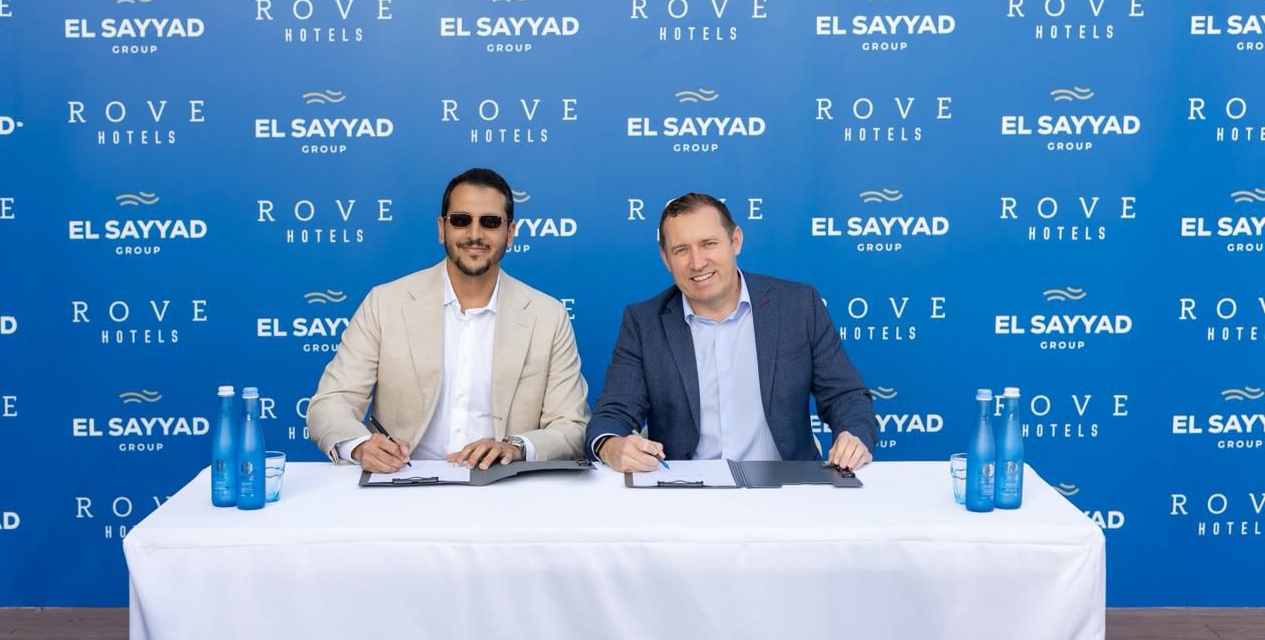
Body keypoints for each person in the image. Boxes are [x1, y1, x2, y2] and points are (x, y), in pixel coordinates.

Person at [307, 168, 590, 472]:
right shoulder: (385, 303)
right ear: (442, 228)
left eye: (490, 222)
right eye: (461, 220)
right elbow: (331, 402)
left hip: (505, 487)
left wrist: (517, 447)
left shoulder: (547, 316)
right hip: (402, 483)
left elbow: (572, 426)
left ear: (510, 233)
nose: (474, 234)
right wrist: (361, 445)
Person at [586, 192, 876, 473]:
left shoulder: (798, 306)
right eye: (681, 250)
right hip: (685, 492)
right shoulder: (644, 323)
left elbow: (845, 396)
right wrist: (612, 446)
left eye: (708, 244)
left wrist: (854, 436)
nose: (697, 262)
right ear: (665, 258)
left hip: (787, 489)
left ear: (735, 240)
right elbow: (613, 414)